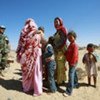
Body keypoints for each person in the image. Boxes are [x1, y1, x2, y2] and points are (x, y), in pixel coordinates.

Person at [16, 18, 43, 96]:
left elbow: (20, 46)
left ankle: (28, 88)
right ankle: (35, 89)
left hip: (29, 56)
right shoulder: (37, 34)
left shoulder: (24, 34)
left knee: (30, 72)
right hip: (35, 55)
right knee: (36, 72)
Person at [63, 31, 79, 96]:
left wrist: (72, 63)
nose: (69, 38)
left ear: (74, 37)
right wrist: (65, 53)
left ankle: (69, 91)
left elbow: (75, 55)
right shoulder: (70, 45)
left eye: (71, 37)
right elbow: (68, 52)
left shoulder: (75, 45)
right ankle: (75, 84)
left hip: (73, 62)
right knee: (74, 73)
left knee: (71, 75)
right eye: (68, 37)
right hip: (71, 62)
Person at [53, 17, 68, 85]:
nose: (55, 23)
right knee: (59, 67)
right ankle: (61, 80)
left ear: (60, 22)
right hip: (57, 52)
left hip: (61, 51)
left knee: (60, 67)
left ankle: (60, 82)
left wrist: (57, 47)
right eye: (54, 22)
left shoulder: (62, 29)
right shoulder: (57, 31)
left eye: (57, 21)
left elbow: (63, 40)